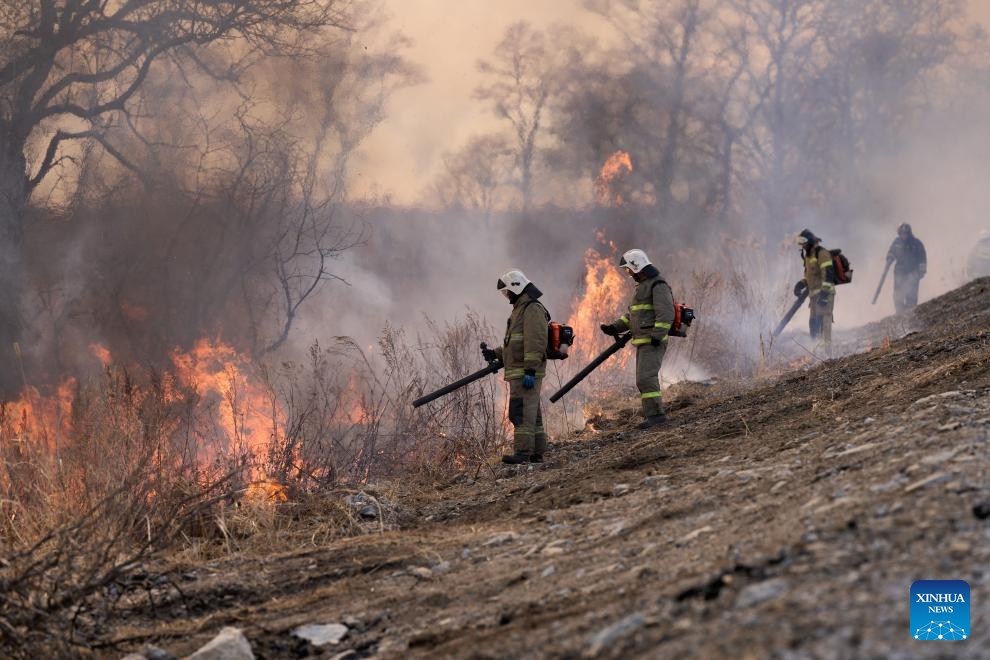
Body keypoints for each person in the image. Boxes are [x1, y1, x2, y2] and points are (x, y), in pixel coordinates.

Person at [599, 249, 675, 429]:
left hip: (652, 341)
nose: (628, 273)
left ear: (637, 265)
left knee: (646, 378)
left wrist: (657, 336)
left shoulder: (658, 285)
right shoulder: (642, 286)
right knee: (643, 379)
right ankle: (653, 415)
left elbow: (666, 313)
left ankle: (656, 417)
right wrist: (614, 328)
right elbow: (633, 316)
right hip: (644, 341)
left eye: (628, 269)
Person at [482, 269, 549, 465]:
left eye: (507, 291)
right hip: (520, 370)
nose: (507, 296)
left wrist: (530, 368)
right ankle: (536, 453)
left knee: (520, 413)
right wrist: (495, 353)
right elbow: (515, 344)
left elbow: (535, 341)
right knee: (531, 414)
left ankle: (522, 453)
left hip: (525, 371)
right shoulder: (520, 309)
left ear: (516, 287)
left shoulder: (532, 309)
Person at [793, 229, 837, 353]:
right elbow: (809, 276)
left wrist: (824, 294)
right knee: (813, 324)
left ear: (811, 241)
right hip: (813, 296)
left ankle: (827, 354)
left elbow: (828, 274)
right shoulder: (808, 257)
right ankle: (816, 352)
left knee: (824, 322)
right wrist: (801, 284)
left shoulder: (822, 253)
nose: (803, 246)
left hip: (825, 294)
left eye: (804, 243)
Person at [885, 223, 927, 314]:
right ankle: (899, 314)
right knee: (898, 296)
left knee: (911, 297)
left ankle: (910, 315)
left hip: (913, 274)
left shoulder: (916, 244)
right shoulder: (897, 243)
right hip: (899, 274)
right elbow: (891, 252)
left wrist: (920, 273)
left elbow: (922, 258)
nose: (903, 235)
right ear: (899, 233)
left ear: (909, 233)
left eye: (905, 233)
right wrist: (889, 258)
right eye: (902, 233)